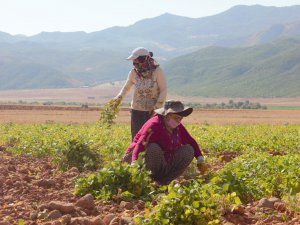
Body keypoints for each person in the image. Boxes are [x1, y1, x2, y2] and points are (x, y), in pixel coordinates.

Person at [123, 100, 207, 185]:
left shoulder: (177, 127)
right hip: (139, 159)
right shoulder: (154, 125)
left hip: (162, 162)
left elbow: (190, 141)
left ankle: (164, 182)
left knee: (188, 150)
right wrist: (134, 162)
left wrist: (200, 159)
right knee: (153, 148)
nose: (178, 121)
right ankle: (146, 180)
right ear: (167, 115)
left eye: (180, 118)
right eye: (176, 117)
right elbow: (140, 144)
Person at [113, 47, 167, 140]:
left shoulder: (157, 71)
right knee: (137, 137)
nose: (135, 64)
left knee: (152, 137)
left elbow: (164, 89)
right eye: (134, 62)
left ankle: (151, 154)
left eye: (137, 61)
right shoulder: (133, 73)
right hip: (137, 110)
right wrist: (119, 98)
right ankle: (135, 154)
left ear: (144, 59)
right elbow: (126, 88)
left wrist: (157, 108)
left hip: (153, 111)